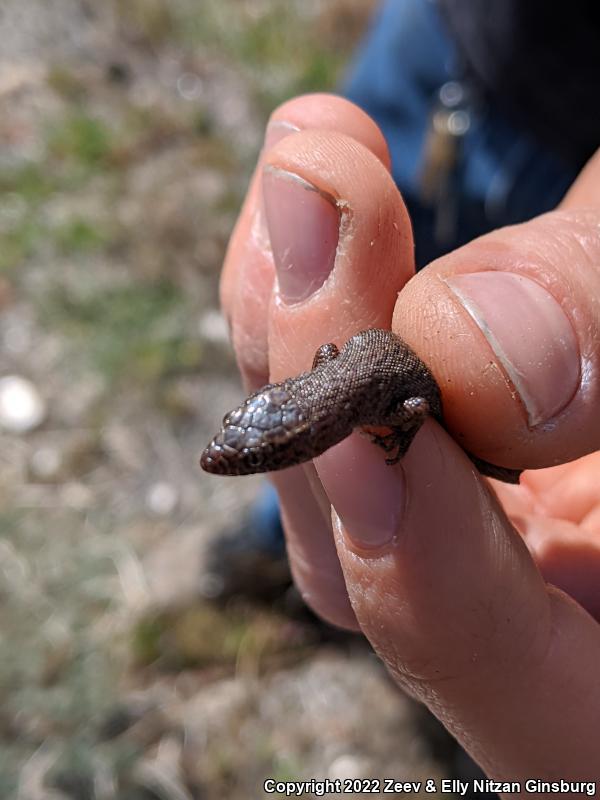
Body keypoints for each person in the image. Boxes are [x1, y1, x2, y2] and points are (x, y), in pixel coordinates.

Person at [214, 0, 600, 781]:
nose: (241, 448)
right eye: (248, 441)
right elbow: (335, 364)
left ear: (299, 436)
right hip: (456, 39)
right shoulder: (321, 413)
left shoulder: (337, 414)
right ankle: (270, 555)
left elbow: (419, 404)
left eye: (259, 449)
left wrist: (397, 434)